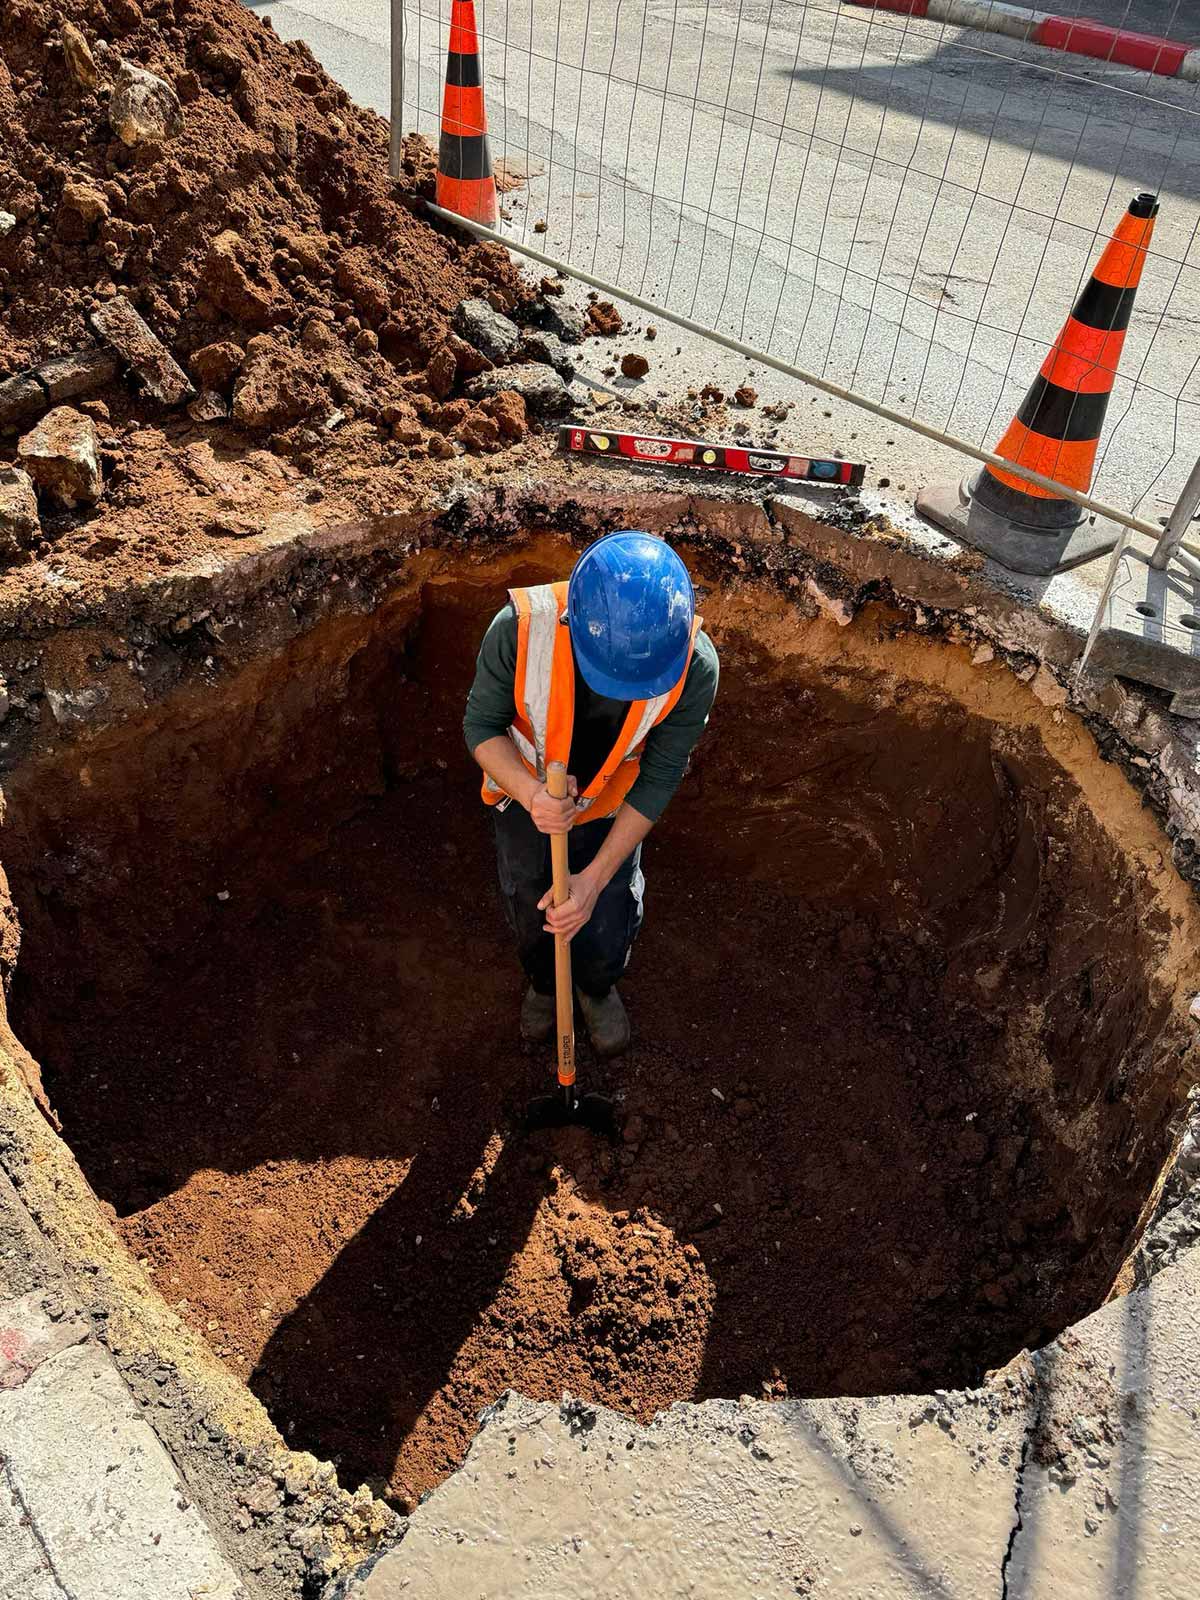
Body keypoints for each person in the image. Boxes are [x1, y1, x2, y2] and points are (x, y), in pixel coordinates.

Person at [464, 530, 719, 1057]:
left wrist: (595, 878)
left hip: (611, 804)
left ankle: (596, 988)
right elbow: (481, 727)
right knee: (529, 901)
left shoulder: (691, 665)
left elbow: (660, 774)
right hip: (524, 798)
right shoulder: (520, 629)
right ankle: (544, 984)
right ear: (573, 624)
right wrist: (534, 795)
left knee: (605, 915)